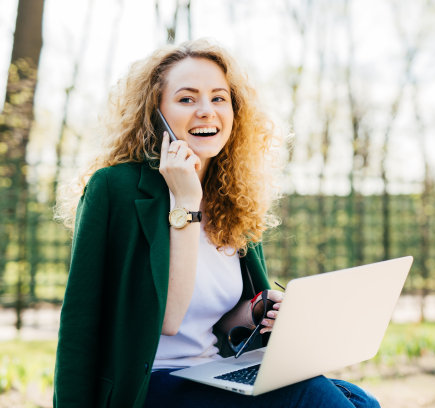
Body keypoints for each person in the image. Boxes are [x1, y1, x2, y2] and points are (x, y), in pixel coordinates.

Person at [53, 38, 380, 408]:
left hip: (215, 372)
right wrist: (186, 202)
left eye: (218, 98)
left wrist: (258, 310)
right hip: (150, 385)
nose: (206, 111)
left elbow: (223, 319)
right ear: (155, 112)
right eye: (187, 99)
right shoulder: (114, 188)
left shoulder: (234, 196)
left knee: (359, 400)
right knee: (312, 396)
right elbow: (153, 321)